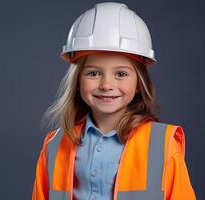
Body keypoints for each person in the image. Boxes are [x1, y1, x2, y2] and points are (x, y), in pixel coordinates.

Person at [32, 2, 196, 200]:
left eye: (120, 73)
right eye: (93, 73)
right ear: (77, 81)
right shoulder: (55, 145)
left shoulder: (162, 146)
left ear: (138, 83)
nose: (106, 84)